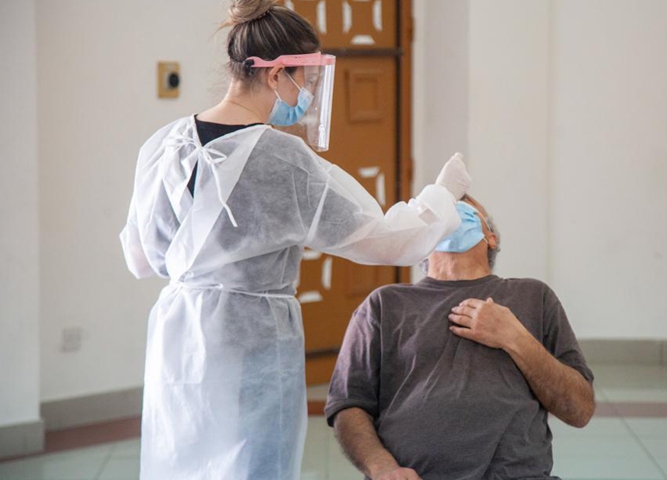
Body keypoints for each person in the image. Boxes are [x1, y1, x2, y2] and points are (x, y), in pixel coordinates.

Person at [119, 1, 471, 478]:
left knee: (180, 459)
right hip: (253, 343)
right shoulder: (282, 159)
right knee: (253, 465)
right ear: (276, 74)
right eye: (304, 78)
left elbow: (141, 259)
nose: (305, 92)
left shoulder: (162, 145)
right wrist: (442, 196)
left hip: (178, 338)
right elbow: (386, 242)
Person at [325, 196, 595, 480]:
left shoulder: (533, 297)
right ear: (419, 238)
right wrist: (382, 468)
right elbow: (348, 404)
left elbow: (579, 410)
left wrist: (515, 337)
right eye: (439, 206)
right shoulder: (385, 304)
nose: (450, 207)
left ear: (490, 238)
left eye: (464, 207)